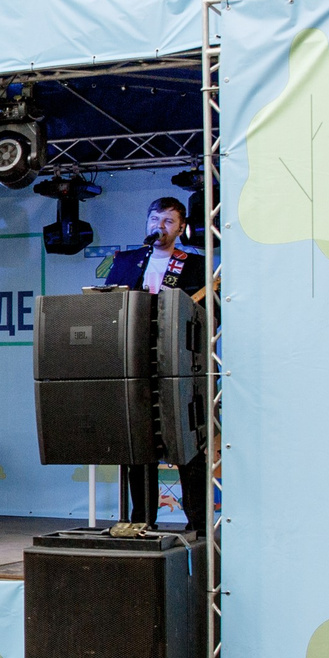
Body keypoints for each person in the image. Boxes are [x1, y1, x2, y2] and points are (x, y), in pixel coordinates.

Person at [98, 195, 207, 532]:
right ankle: (142, 519)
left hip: (179, 363)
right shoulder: (128, 260)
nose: (160, 227)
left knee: (186, 441)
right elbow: (108, 305)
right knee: (137, 442)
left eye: (168, 222)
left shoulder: (195, 264)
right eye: (155, 220)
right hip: (134, 362)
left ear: (181, 227)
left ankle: (199, 524)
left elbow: (204, 313)